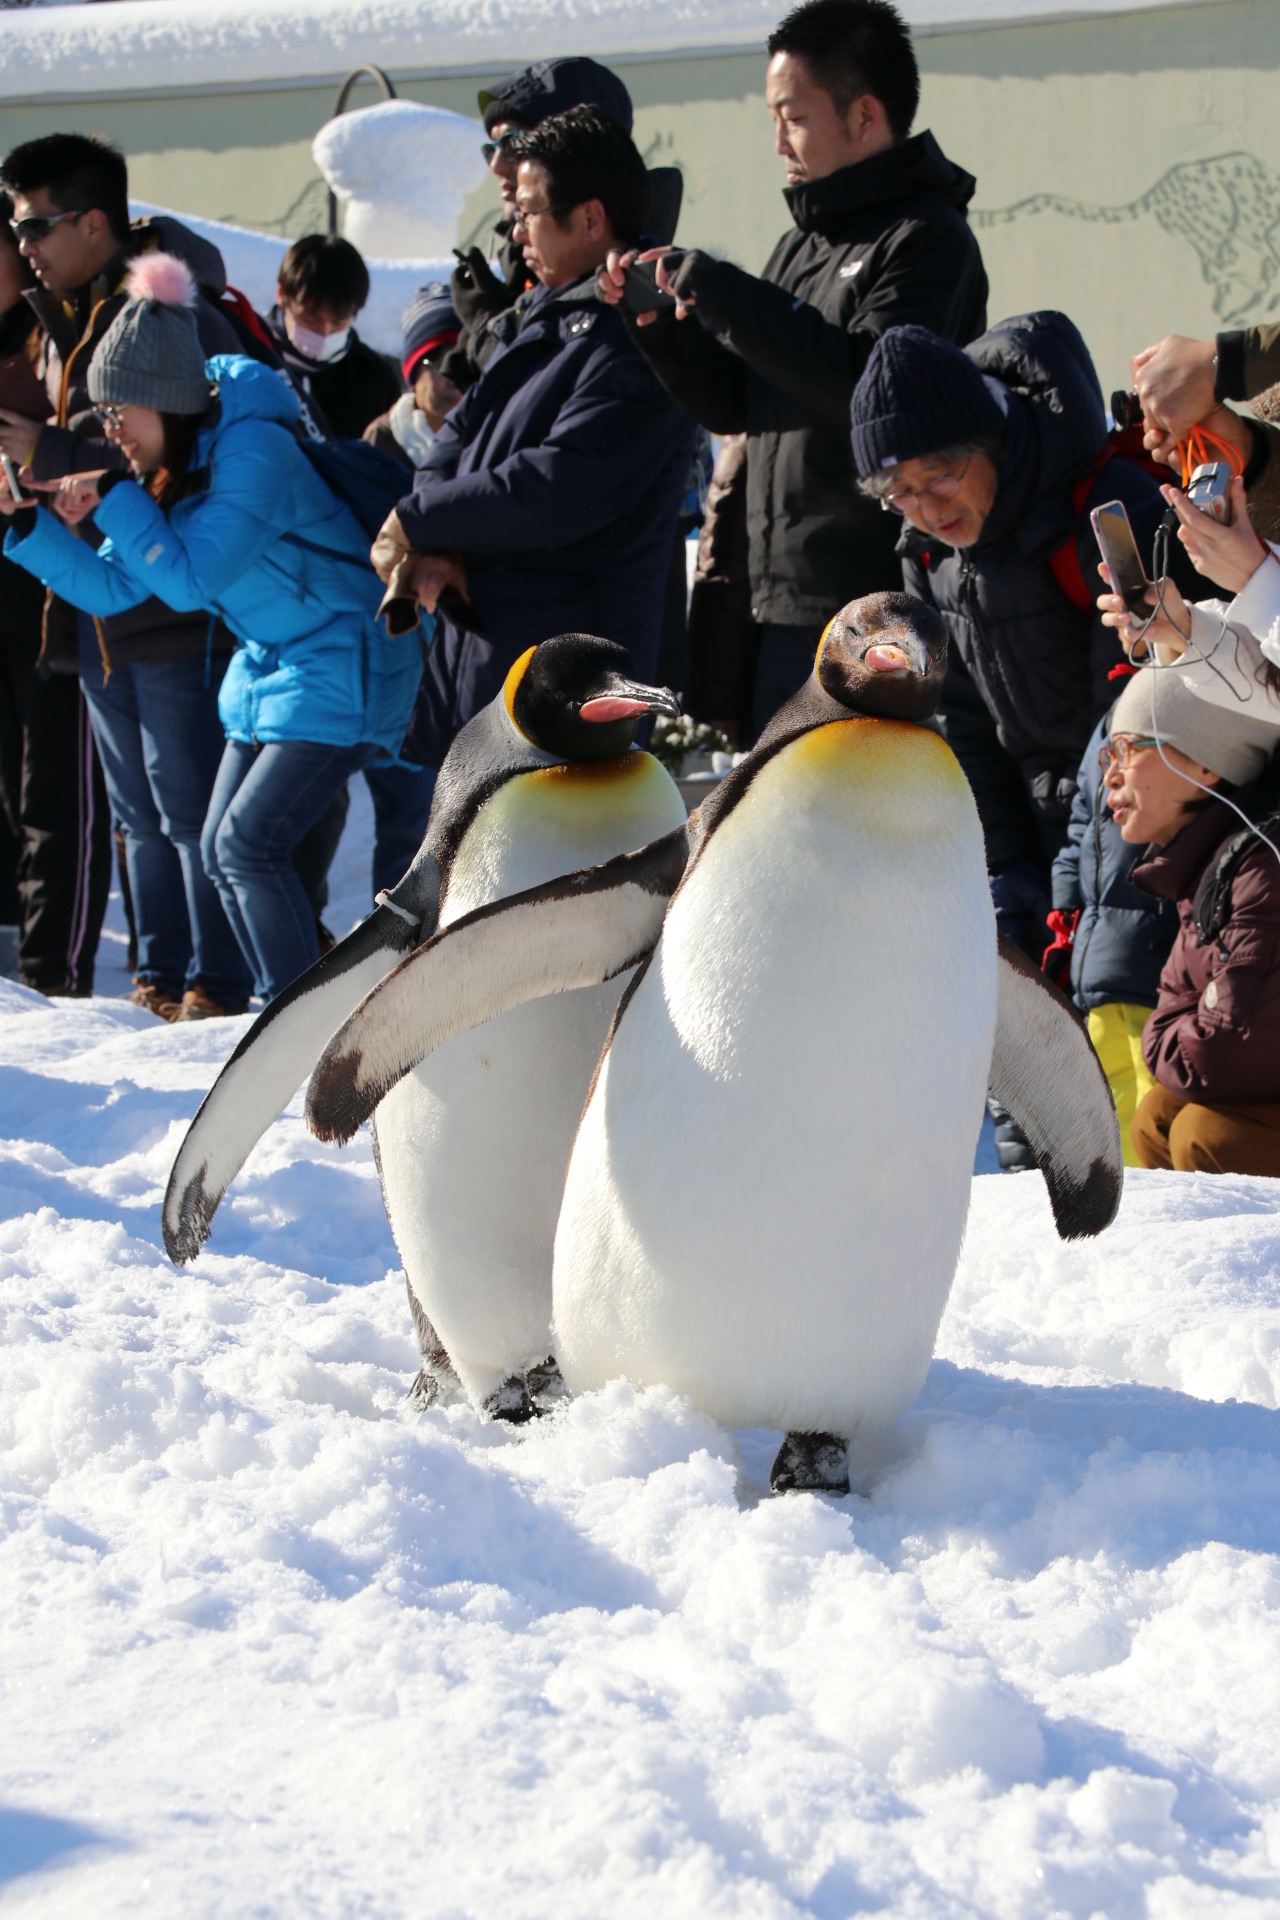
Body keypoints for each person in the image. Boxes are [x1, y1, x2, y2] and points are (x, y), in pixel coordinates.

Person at [0, 257, 424, 1005]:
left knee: (244, 846)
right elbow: (111, 589)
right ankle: (288, 1006)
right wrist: (27, 524)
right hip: (276, 669)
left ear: (164, 401)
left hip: (345, 660)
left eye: (119, 413)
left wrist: (114, 497)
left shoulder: (250, 451)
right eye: (102, 416)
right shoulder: (178, 460)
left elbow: (192, 578)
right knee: (225, 848)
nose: (110, 432)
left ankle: (292, 1018)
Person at [598, 0, 988, 738]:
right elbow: (740, 404)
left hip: (872, 598)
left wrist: (722, 290)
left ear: (865, 114)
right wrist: (660, 328)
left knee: (857, 835)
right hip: (775, 603)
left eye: (795, 116)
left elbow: (873, 390)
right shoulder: (799, 246)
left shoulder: (928, 240)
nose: (778, 140)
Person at [0, 134, 253, 1016]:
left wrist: (52, 449)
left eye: (34, 223)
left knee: (189, 814)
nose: (21, 242)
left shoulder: (165, 306)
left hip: (175, 603)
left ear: (93, 220)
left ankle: (215, 986)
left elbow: (190, 447)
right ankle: (160, 978)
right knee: (138, 818)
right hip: (100, 607)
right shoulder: (63, 314)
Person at [376, 106, 695, 775]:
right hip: (490, 656)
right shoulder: (540, 320)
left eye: (530, 212)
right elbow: (448, 443)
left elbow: (559, 484)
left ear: (590, 218)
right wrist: (434, 528)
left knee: (549, 875)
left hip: (567, 681)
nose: (516, 231)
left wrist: (423, 520)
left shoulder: (635, 339)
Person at [1097, 665, 1280, 1176]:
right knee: (1156, 1121)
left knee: (1208, 1137)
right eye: (1107, 755)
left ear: (1205, 764)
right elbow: (1181, 1010)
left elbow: (1225, 1050)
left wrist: (1168, 1036)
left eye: (1128, 750)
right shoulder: (1209, 865)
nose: (1109, 774)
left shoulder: (1265, 862)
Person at [0, 193, 109, 998]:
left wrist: (43, 452)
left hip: (53, 592)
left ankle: (51, 977)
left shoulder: (59, 338)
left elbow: (114, 448)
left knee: (55, 797)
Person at [445, 56, 671, 394]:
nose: (496, 164)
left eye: (512, 144)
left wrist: (487, 329)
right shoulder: (522, 264)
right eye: (490, 148)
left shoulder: (639, 288)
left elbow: (538, 400)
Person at [1050, 702, 1176, 1164]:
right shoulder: (1117, 709)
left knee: (1157, 1109)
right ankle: (1131, 1224)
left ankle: (1174, 1220)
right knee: (1112, 1105)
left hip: (1157, 952)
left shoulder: (1183, 698)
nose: (1119, 624)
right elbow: (1083, 821)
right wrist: (1066, 907)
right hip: (1100, 951)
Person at [265, 233, 401, 441]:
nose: (324, 332)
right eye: (311, 318)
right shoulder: (251, 353)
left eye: (338, 321)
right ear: (282, 295)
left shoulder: (374, 379)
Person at [363, 283, 461, 470]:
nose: (454, 378)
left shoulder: (490, 440)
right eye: (440, 364)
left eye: (464, 363)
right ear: (413, 375)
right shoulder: (381, 443)